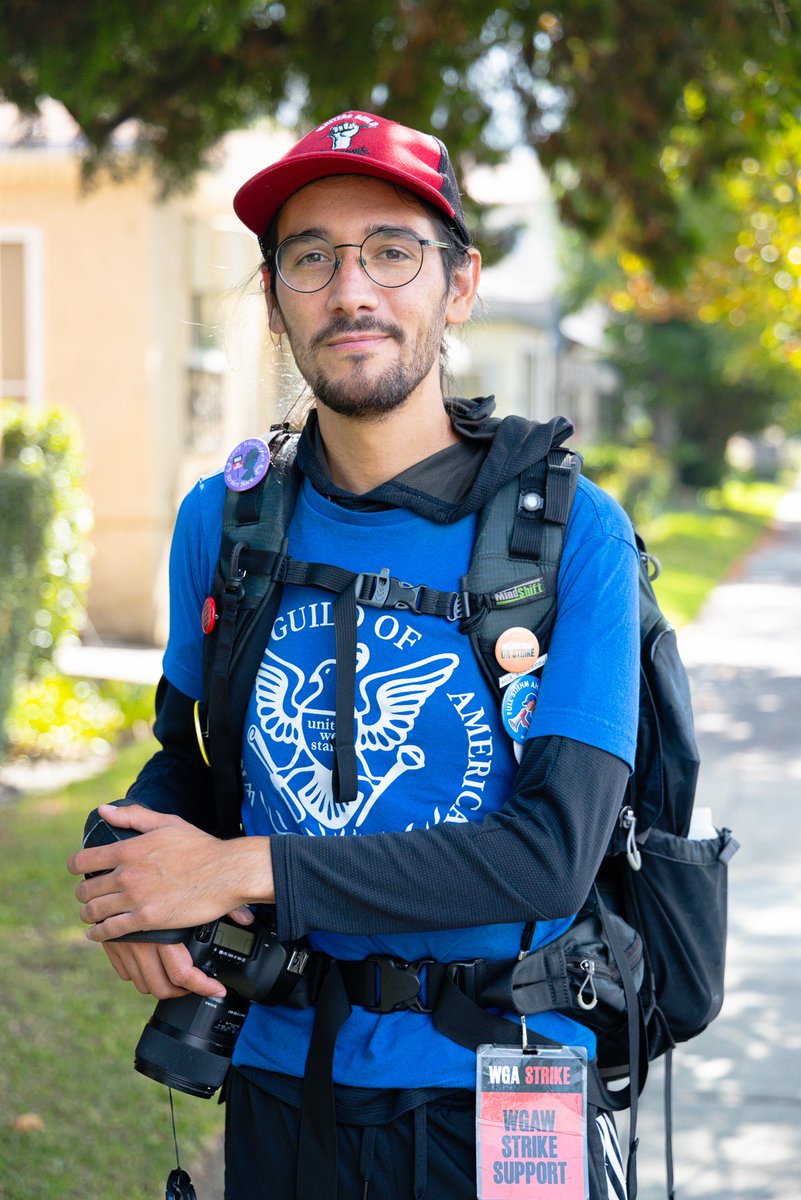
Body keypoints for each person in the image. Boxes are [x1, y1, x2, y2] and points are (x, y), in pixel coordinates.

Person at [68, 110, 640, 1200]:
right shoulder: (228, 521)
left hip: (503, 1091)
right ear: (277, 304)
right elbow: (190, 765)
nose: (352, 290)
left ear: (458, 285)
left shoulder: (572, 535)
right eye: (310, 257)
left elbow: (554, 852)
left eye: (392, 250)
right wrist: (121, 866)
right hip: (283, 1080)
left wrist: (241, 869)